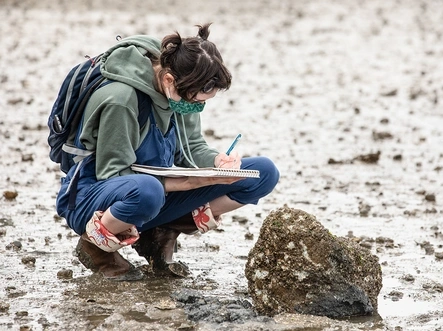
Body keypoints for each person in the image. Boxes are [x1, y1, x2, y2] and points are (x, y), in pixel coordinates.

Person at [55, 23, 280, 281]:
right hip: (93, 196)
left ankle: (161, 230)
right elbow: (113, 174)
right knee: (148, 191)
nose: (197, 108)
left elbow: (191, 147)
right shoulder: (121, 100)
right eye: (195, 101)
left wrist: (218, 162)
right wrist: (185, 182)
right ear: (170, 80)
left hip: (152, 190)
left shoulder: (179, 92)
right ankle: (95, 246)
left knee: (262, 173)